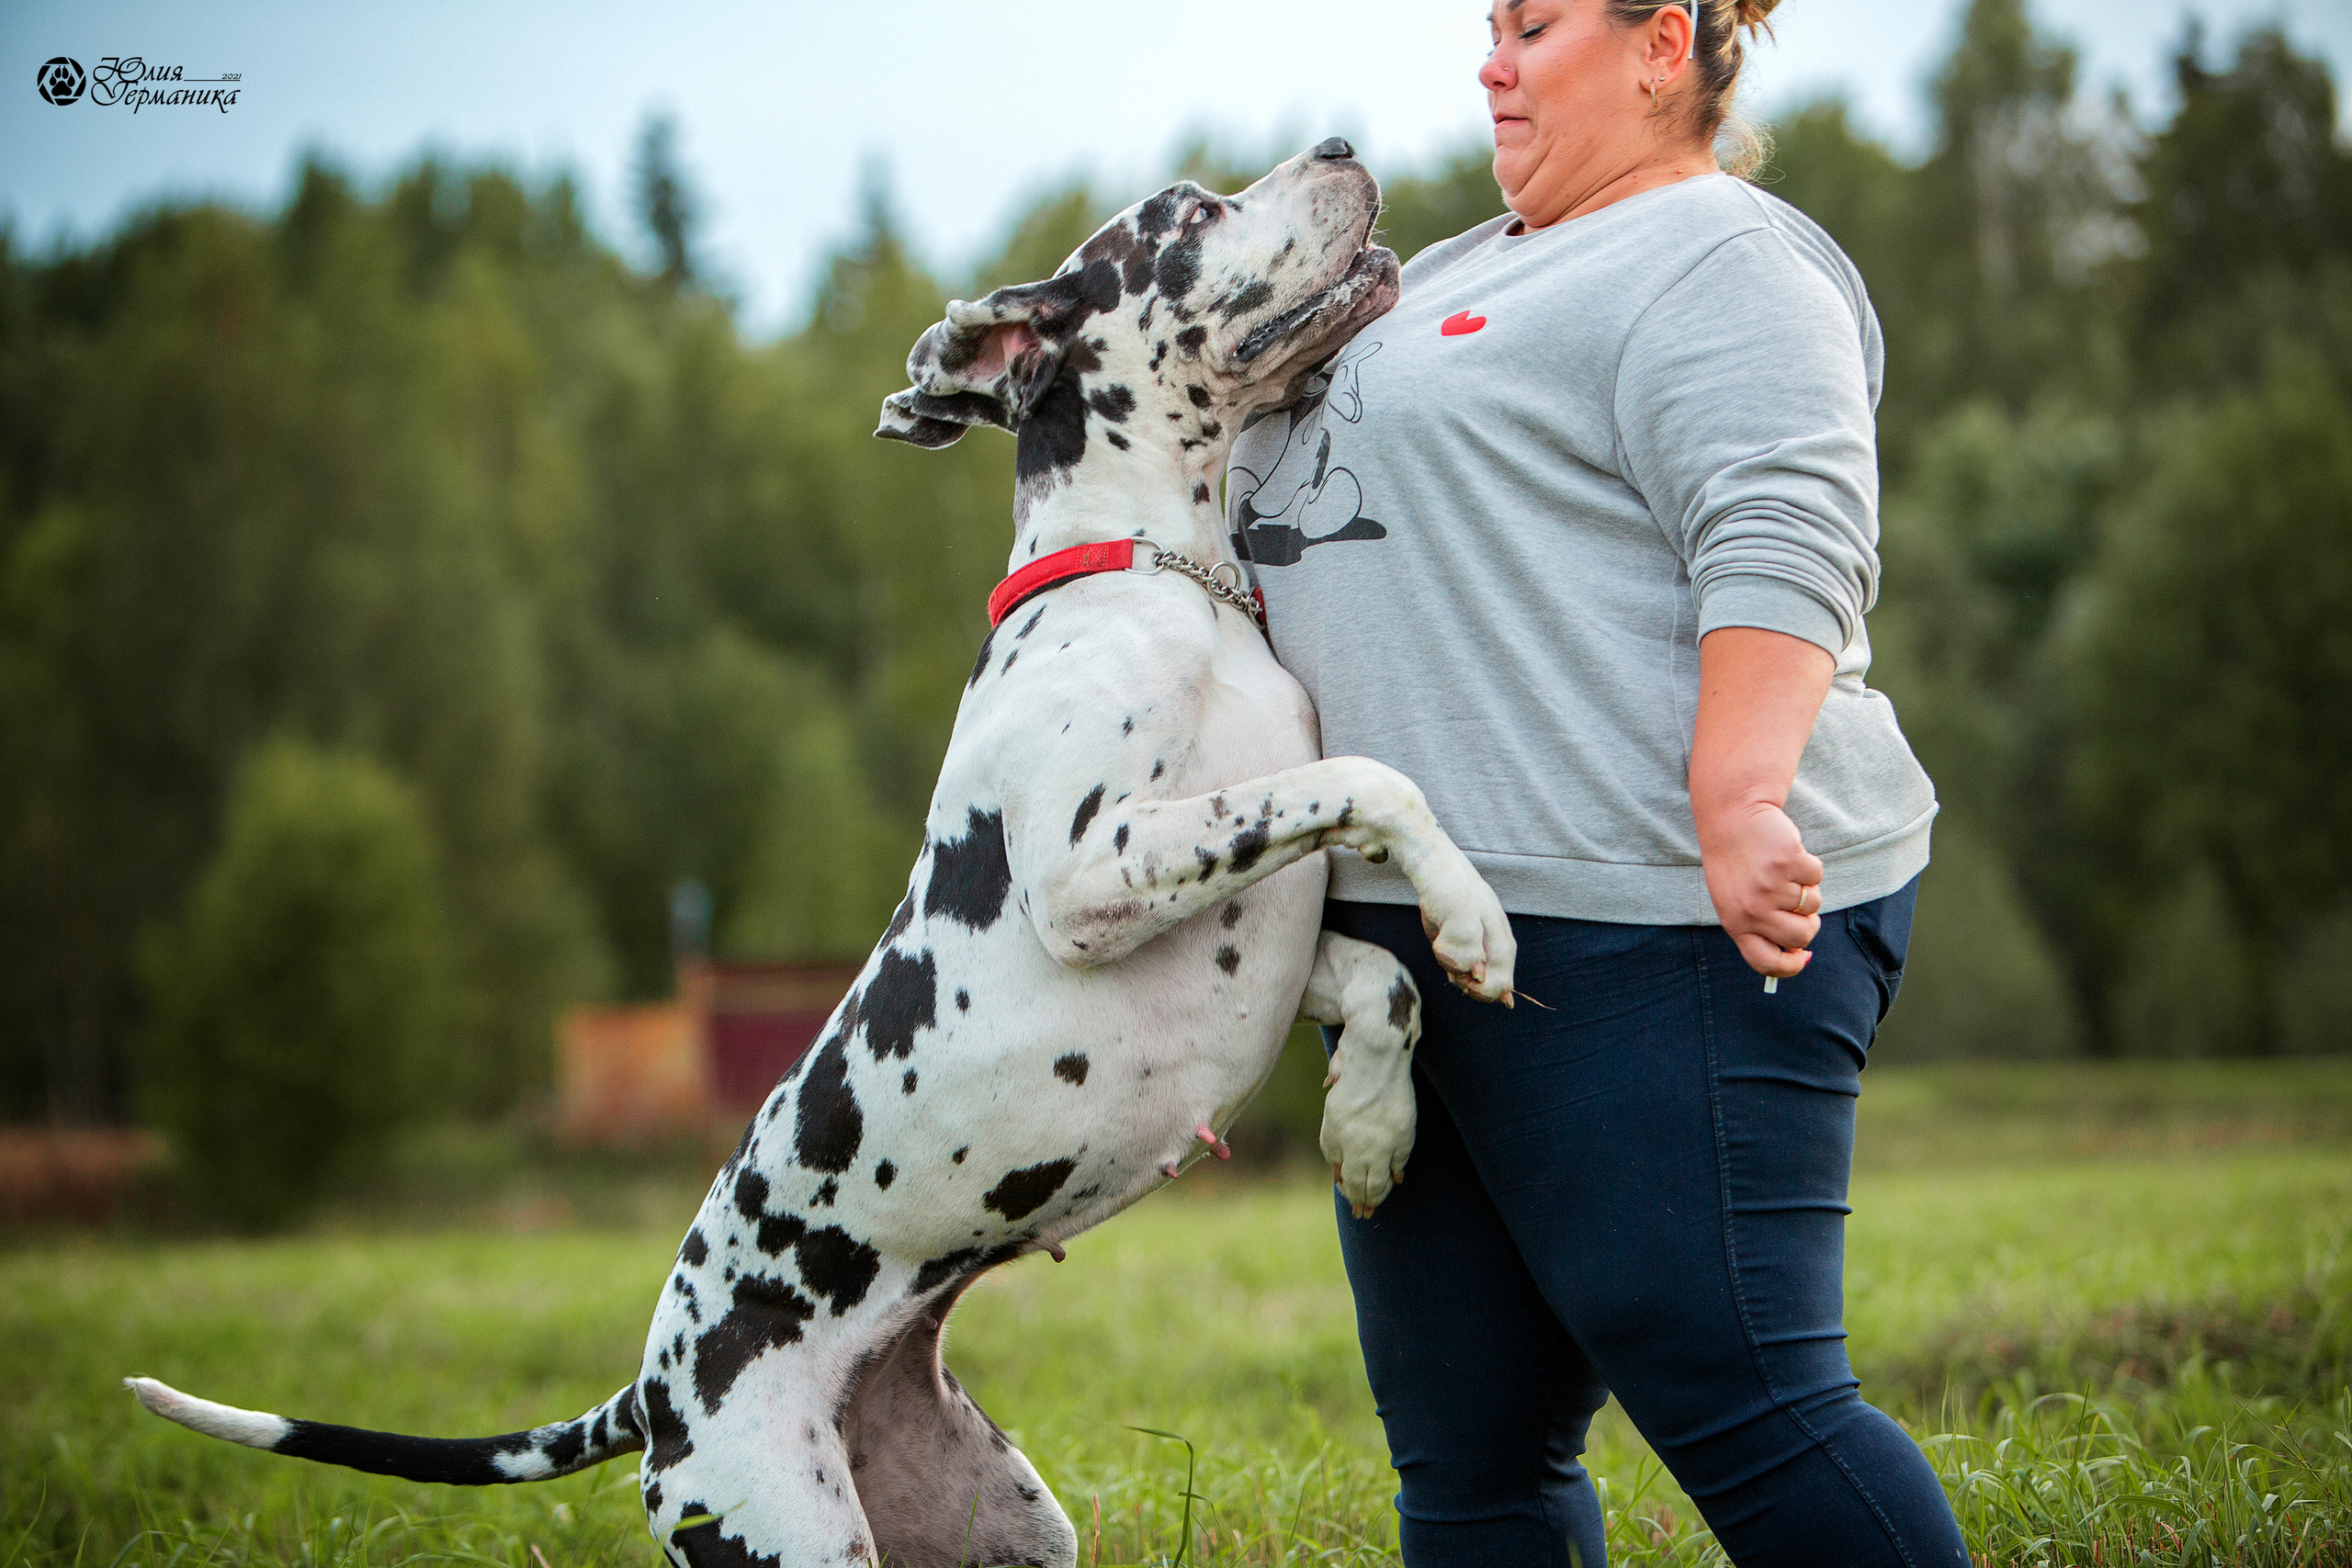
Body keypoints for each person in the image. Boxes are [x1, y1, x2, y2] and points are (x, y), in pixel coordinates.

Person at [1224, 3, 1969, 1564]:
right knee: (1472, 1454)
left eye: (1534, 24)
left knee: (1752, 1407)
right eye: (1487, 28)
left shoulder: (1720, 261)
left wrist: (1739, 795)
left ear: (1660, 45)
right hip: (1423, 945)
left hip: (1658, 921)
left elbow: (1785, 532)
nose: (1491, 60)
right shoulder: (1450, 272)